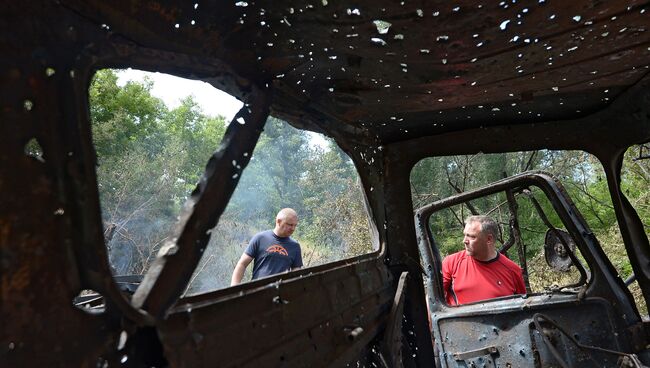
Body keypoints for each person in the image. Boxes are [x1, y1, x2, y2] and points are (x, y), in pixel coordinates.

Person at [442, 215, 526, 305]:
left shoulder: (512, 270)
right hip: (457, 318)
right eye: (465, 235)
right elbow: (432, 300)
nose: (465, 241)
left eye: (472, 237)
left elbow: (523, 306)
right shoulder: (451, 263)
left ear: (489, 239)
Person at [230, 208, 303, 285]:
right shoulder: (260, 238)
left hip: (280, 294)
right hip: (257, 291)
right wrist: (234, 286)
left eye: (295, 225)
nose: (293, 229)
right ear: (278, 221)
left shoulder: (295, 246)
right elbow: (242, 264)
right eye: (290, 225)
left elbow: (296, 272)